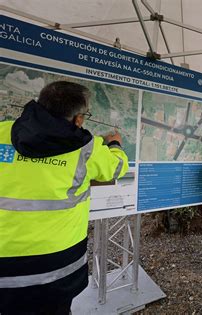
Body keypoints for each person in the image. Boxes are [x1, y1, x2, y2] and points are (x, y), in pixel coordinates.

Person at [0, 81, 128, 314]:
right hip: (57, 267)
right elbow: (116, 167)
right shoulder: (86, 148)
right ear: (78, 119)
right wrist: (115, 144)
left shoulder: (2, 132)